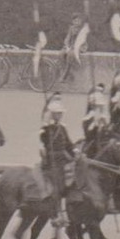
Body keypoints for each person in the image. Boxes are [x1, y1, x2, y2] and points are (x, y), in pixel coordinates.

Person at [40, 94, 76, 228]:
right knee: (57, 185)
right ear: (52, 114)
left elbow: (68, 144)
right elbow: (43, 143)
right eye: (56, 114)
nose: (59, 116)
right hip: (52, 159)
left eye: (60, 114)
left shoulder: (62, 127)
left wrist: (75, 152)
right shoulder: (46, 129)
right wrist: (45, 129)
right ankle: (56, 214)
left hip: (64, 158)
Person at [82, 82, 110, 152]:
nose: (100, 107)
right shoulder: (88, 118)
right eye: (98, 106)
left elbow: (106, 131)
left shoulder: (103, 117)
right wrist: (95, 125)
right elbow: (88, 134)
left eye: (101, 106)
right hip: (93, 144)